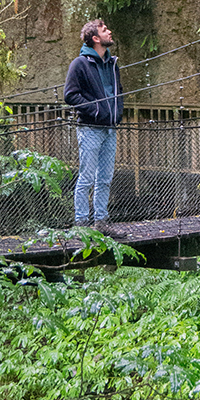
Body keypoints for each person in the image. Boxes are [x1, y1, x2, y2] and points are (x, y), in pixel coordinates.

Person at [63, 19, 127, 238]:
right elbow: (70, 95)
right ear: (95, 38)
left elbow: (117, 92)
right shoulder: (79, 64)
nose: (110, 32)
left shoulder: (112, 63)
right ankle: (81, 224)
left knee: (105, 178)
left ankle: (101, 221)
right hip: (90, 128)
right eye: (104, 30)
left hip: (110, 129)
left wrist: (116, 113)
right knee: (87, 177)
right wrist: (97, 111)